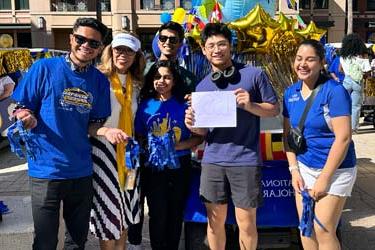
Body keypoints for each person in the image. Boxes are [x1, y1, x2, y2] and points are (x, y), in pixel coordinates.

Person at [11, 17, 110, 250]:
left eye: (93, 43)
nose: (86, 45)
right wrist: (25, 117)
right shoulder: (43, 68)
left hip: (81, 171)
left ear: (100, 49)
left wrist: (106, 130)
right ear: (71, 39)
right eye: (81, 39)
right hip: (46, 171)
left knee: (77, 241)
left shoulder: (99, 81)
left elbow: (93, 124)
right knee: (45, 241)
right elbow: (20, 107)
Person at [184, 23, 279, 250]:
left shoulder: (254, 75)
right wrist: (193, 124)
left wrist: (251, 104)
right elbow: (203, 133)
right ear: (204, 51)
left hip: (245, 160)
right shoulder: (202, 86)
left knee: (246, 223)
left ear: (230, 46)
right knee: (214, 222)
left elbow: (274, 109)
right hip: (213, 161)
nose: (217, 49)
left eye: (221, 44)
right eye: (211, 46)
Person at [127, 20, 197, 250]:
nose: (168, 43)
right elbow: (137, 128)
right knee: (155, 211)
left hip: (180, 162)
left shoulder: (187, 79)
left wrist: (177, 145)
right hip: (149, 163)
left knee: (176, 213)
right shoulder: (143, 70)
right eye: (163, 38)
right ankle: (135, 241)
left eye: (173, 39)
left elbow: (198, 130)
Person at [283, 39, 357, 250]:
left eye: (310, 59)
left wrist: (324, 178)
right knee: (305, 227)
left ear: (321, 62)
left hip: (335, 170)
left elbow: (343, 138)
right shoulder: (290, 93)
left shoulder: (334, 91)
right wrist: (294, 170)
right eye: (299, 59)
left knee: (323, 229)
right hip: (304, 168)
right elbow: (288, 138)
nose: (302, 64)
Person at [89, 32, 146, 250]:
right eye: (119, 49)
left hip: (130, 157)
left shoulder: (138, 84)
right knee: (108, 211)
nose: (123, 54)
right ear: (110, 52)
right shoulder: (98, 79)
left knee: (126, 209)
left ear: (136, 55)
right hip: (103, 154)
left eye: (129, 50)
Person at [340, 33, 371, 133]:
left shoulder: (343, 57)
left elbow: (340, 69)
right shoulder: (362, 57)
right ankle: (353, 128)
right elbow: (368, 71)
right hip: (357, 82)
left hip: (346, 81)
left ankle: (343, 125)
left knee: (344, 104)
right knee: (355, 106)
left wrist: (347, 73)